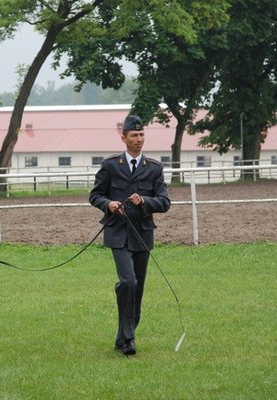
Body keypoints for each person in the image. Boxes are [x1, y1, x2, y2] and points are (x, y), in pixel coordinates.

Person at [89, 114, 171, 356]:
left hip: (143, 236)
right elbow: (95, 195)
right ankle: (129, 340)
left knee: (137, 289)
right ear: (123, 138)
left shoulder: (154, 169)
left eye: (142, 135)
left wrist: (145, 200)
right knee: (128, 281)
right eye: (134, 135)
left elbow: (165, 202)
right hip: (118, 234)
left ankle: (122, 336)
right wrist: (109, 204)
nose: (139, 139)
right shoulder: (111, 166)